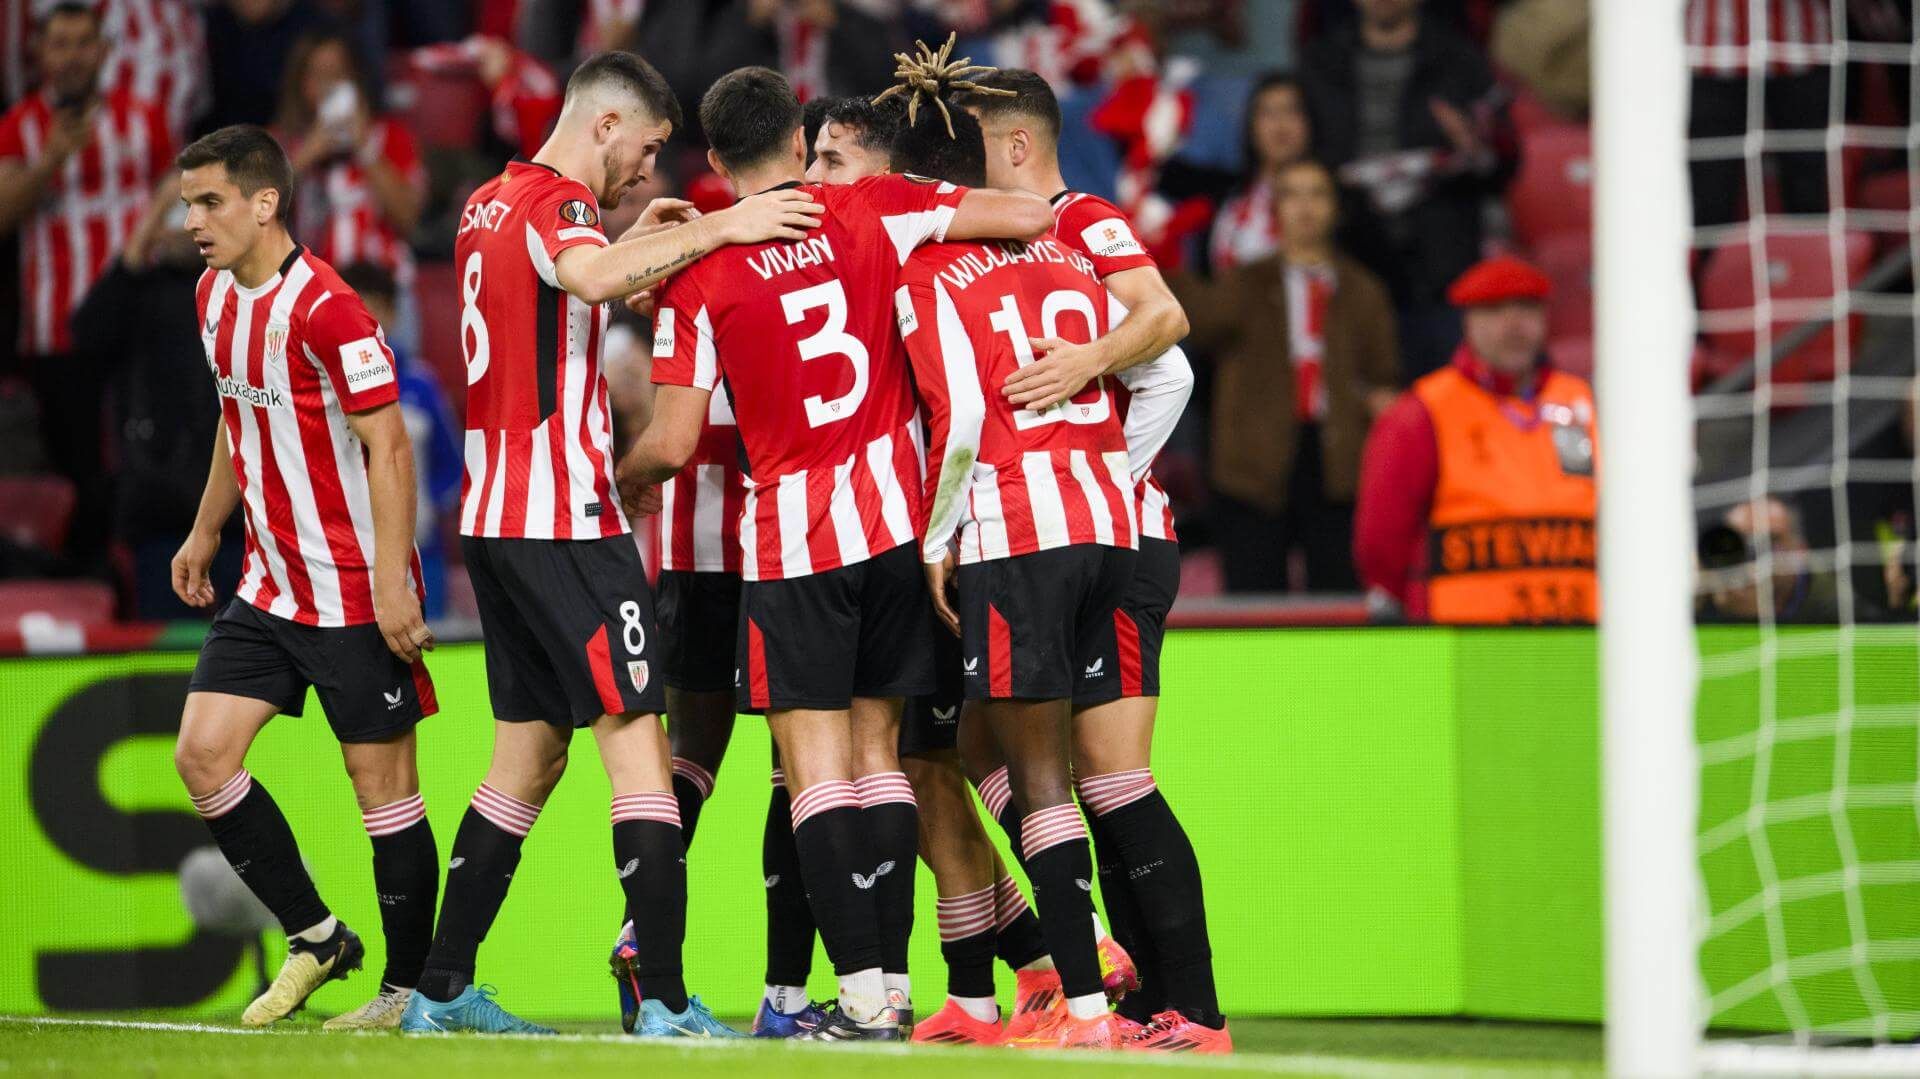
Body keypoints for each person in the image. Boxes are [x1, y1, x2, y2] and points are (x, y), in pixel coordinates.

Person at [616, 63, 1052, 1042]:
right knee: (883, 761)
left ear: (718, 159)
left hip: (794, 543)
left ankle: (857, 996)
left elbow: (676, 440)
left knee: (813, 771)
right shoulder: (878, 208)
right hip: (898, 531)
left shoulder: (704, 271)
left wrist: (622, 471)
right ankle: (891, 989)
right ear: (798, 137)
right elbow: (1025, 218)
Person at [398, 51, 824, 1037]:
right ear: (604, 125)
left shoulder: (488, 202)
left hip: (495, 523)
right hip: (566, 520)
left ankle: (442, 985)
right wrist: (725, 223)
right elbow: (586, 273)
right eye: (647, 147)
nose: (649, 169)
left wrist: (648, 235)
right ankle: (666, 1000)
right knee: (640, 750)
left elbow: (552, 292)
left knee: (525, 761)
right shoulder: (565, 211)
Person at [959, 69, 1229, 1053]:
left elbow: (1172, 344)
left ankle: (1193, 1007)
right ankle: (1137, 996)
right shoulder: (997, 241)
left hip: (1109, 533)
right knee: (1008, 753)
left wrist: (1101, 453)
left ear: (1018, 147)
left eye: (972, 147)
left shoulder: (1078, 218)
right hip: (1061, 533)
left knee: (1112, 780)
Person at [800, 91, 1069, 1049]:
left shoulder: (911, 236)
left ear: (881, 165)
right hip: (957, 523)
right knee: (934, 764)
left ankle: (1037, 970)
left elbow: (954, 410)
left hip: (938, 530)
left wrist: (938, 536)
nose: (815, 181)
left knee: (928, 764)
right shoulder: (891, 241)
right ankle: (1032, 965)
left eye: (830, 162)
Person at [167, 124, 438, 1032]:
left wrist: (395, 586)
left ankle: (404, 991)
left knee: (384, 793)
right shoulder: (211, 295)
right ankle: (318, 936)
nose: (192, 219)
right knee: (202, 757)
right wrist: (207, 528)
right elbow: (234, 419)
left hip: (353, 593)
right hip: (268, 586)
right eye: (188, 201)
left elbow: (389, 445)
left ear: (264, 202)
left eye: (208, 200)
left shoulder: (330, 308)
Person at [892, 85, 1145, 1052]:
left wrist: (937, 537)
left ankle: (1084, 1009)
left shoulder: (931, 270)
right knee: (1008, 755)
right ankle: (1055, 978)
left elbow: (958, 418)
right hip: (1105, 524)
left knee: (1041, 780)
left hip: (1016, 530)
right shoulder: (1075, 255)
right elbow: (1145, 367)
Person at [0, 2, 176, 569]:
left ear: (103, 52)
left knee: (137, 466)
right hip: (56, 334)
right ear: (40, 56)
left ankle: (140, 592)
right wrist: (50, 159)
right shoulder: (20, 126)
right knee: (76, 481)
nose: (71, 56)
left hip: (134, 331)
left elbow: (174, 210)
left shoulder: (143, 118)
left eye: (82, 43)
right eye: (59, 44)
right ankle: (88, 596)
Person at [1173, 158, 1401, 593]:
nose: (1305, 207)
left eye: (1317, 194)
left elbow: (1383, 374)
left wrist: (1378, 401)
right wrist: (1160, 257)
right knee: (1254, 599)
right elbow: (1197, 323)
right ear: (1276, 209)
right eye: (1292, 194)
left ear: (1336, 207)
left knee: (1338, 598)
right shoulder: (1245, 282)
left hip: (1337, 455)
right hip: (1254, 459)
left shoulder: (1363, 290)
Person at [1352, 255, 1597, 624]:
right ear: (1468, 321)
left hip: (1577, 634)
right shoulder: (1422, 412)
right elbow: (1380, 543)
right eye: (1496, 310)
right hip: (1463, 643)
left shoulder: (1580, 401)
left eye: (1527, 309)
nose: (1514, 325)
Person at [1297, 0, 1514, 379]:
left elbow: (1504, 164)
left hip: (1441, 269)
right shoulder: (1321, 61)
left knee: (1444, 404)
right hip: (1347, 260)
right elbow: (1302, 157)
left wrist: (1479, 147)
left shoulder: (1460, 61)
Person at [336, 262, 461, 620]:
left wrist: (422, 513)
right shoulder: (323, 389)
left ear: (392, 313)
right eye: (353, 310)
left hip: (422, 555)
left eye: (374, 309)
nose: (364, 322)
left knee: (431, 655)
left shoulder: (422, 385)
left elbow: (451, 468)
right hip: (348, 558)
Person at [274, 30, 424, 317]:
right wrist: (307, 155)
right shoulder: (283, 145)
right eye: (318, 76)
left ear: (355, 81)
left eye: (338, 75)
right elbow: (258, 216)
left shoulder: (391, 137)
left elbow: (408, 217)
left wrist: (364, 147)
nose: (329, 87)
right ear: (302, 85)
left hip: (386, 295)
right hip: (316, 297)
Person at [1686, 0, 1830, 229]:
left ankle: (1809, 261)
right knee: (1710, 192)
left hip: (1800, 46)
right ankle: (1711, 262)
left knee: (1807, 189)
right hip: (1714, 50)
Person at [1208, 73, 1312, 276]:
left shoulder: (1338, 200)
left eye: (1291, 111)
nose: (1281, 125)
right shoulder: (1227, 200)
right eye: (1267, 113)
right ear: (1251, 128)